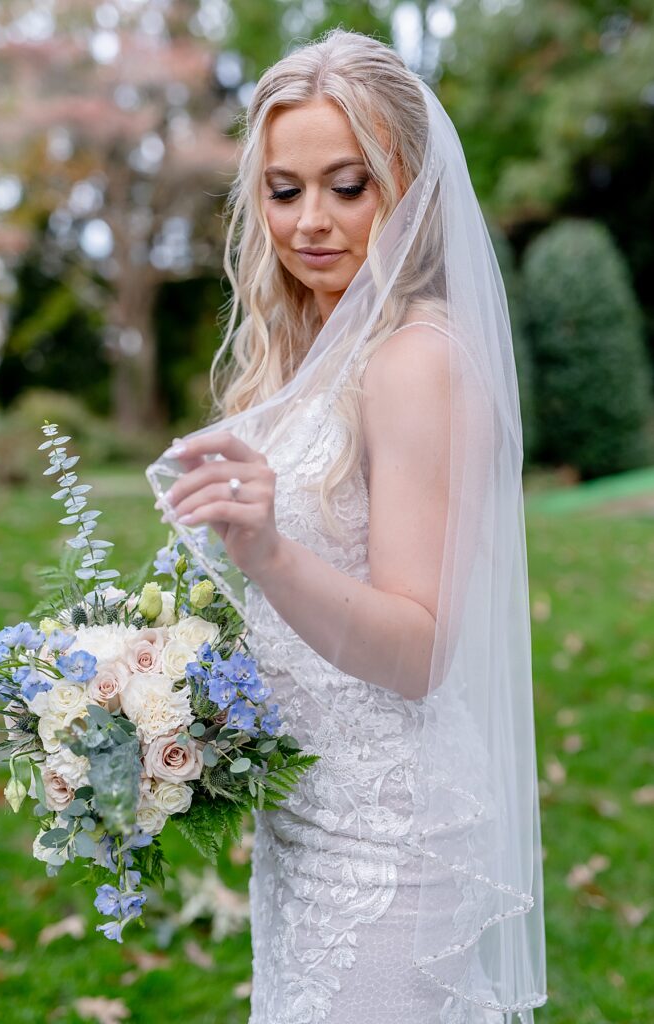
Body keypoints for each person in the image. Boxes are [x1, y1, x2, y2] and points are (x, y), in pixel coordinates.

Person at [147, 27, 546, 1024]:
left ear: (410, 189)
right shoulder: (320, 347)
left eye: (348, 185)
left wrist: (266, 549)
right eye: (284, 191)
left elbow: (416, 650)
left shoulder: (413, 359)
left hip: (389, 841)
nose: (311, 221)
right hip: (308, 825)